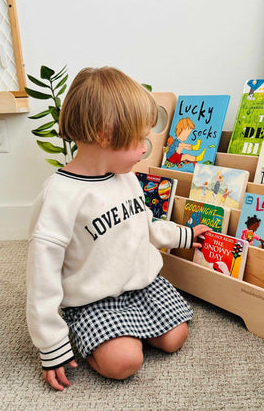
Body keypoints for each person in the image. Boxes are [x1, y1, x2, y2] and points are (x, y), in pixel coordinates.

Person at [26, 67, 211, 391]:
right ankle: (87, 333)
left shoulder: (126, 178)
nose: (144, 148)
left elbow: (143, 224)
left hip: (140, 284)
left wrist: (183, 235)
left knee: (175, 337)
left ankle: (125, 331)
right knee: (125, 362)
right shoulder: (61, 195)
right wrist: (50, 342)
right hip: (93, 299)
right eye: (138, 139)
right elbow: (41, 277)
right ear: (104, 135)